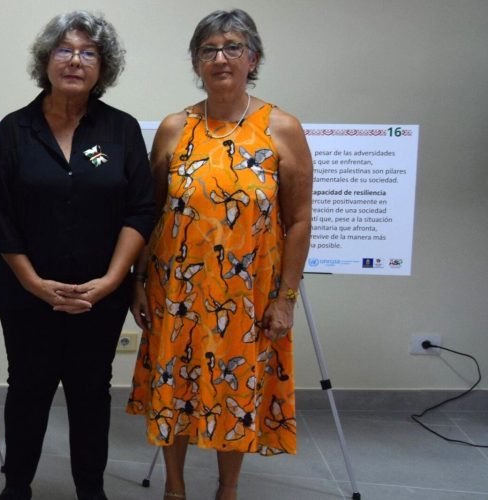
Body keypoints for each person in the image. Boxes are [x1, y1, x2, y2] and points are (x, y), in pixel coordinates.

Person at [125, 9, 313, 500]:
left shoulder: (281, 128)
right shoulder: (174, 128)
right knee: (176, 390)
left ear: (253, 59)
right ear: (195, 62)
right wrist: (138, 281)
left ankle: (228, 489)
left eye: (233, 47)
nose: (221, 58)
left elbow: (298, 221)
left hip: (247, 296)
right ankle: (174, 488)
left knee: (238, 391)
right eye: (208, 50)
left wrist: (287, 297)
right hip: (177, 292)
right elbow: (152, 212)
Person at [0, 11, 155, 500]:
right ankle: (17, 485)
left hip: (99, 296)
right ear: (46, 60)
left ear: (104, 66)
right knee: (27, 391)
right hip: (25, 294)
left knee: (90, 394)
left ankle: (90, 489)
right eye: (64, 50)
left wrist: (111, 280)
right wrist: (36, 284)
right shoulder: (15, 129)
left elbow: (141, 210)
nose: (75, 61)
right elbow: (0, 218)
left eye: (88, 52)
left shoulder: (121, 130)